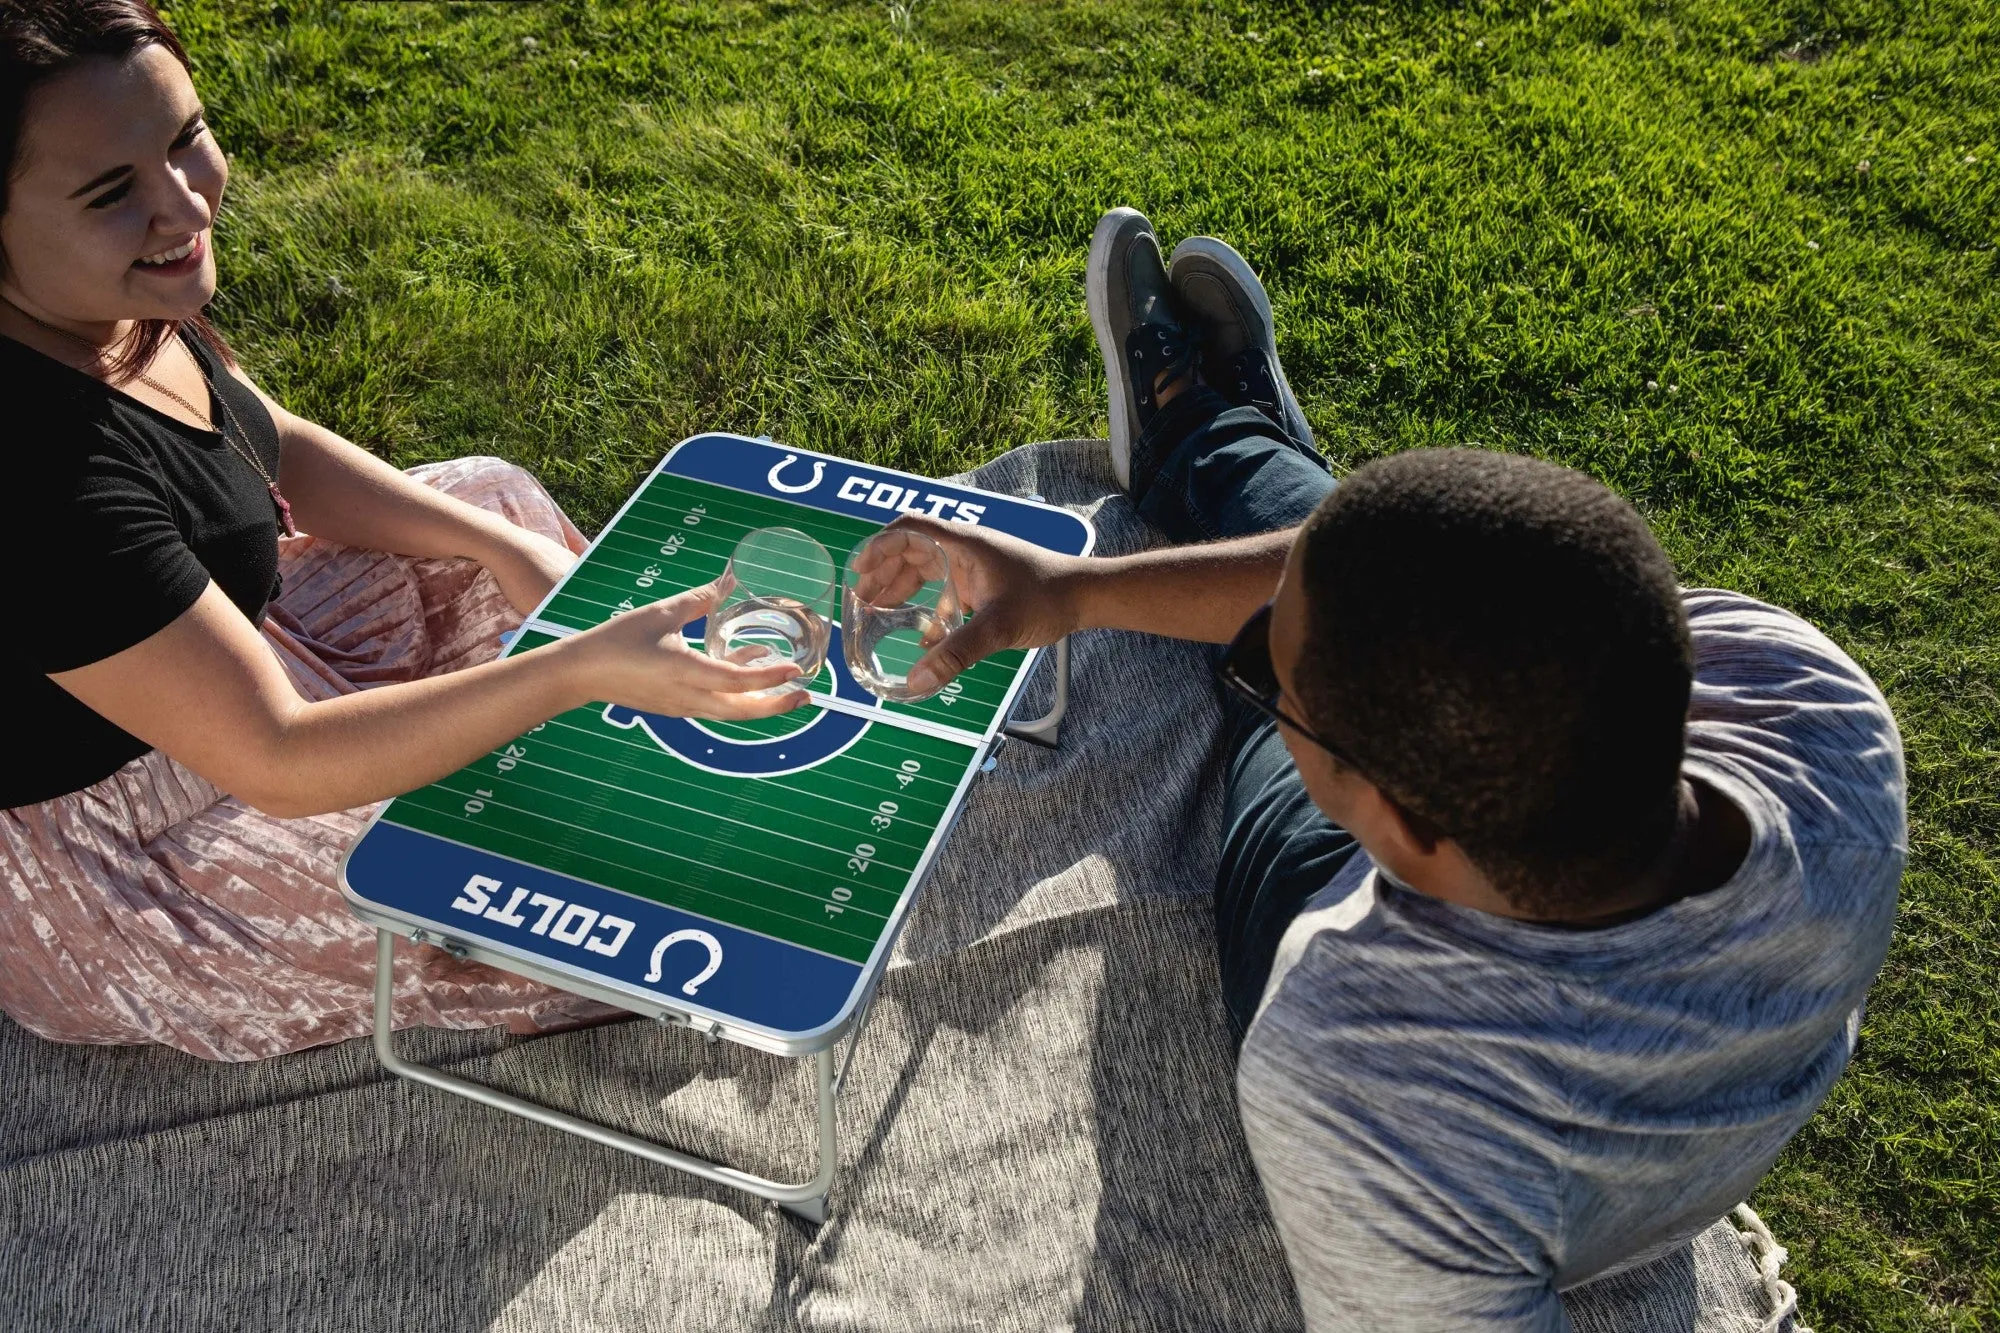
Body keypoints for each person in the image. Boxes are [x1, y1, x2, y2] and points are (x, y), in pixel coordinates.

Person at [892, 207, 1905, 1329]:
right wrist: (1067, 593)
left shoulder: (1361, 1074)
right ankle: (1228, 449)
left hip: (1355, 936)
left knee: (1305, 667)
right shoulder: (1810, 699)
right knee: (1382, 575)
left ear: (1395, 824)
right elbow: (1439, 588)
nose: (1258, 687)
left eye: (1271, 688)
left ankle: (1213, 444)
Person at [0, 0, 804, 1061]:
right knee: (568, 894)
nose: (185, 200)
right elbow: (277, 757)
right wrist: (569, 672)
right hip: (139, 855)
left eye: (186, 136)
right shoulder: (37, 470)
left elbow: (266, 442)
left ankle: (611, 727)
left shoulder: (103, 303)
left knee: (488, 500)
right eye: (113, 192)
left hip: (245, 662)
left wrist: (501, 550)